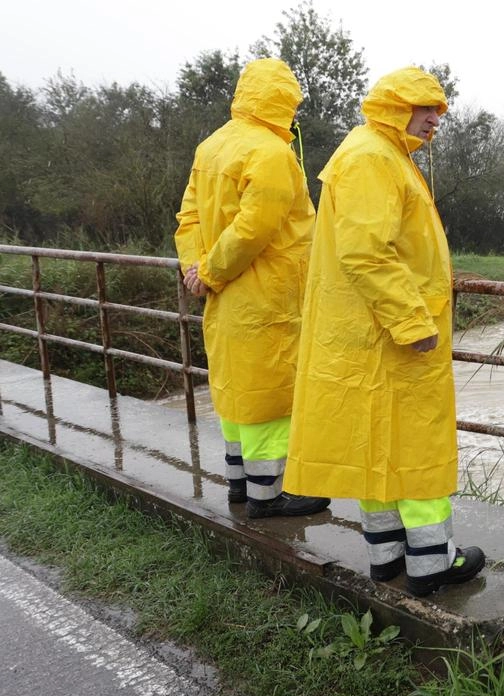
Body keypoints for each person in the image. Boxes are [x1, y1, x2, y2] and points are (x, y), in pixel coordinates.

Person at [283, 66, 485, 597]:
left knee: (379, 447)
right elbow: (368, 252)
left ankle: (389, 561)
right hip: (394, 335)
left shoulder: (377, 152)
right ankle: (431, 565)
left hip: (374, 334)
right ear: (398, 107)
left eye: (439, 112)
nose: (435, 120)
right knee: (416, 450)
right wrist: (411, 320)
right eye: (426, 110)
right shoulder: (374, 157)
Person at [173, 58, 330, 519]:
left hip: (224, 299)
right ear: (282, 101)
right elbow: (254, 229)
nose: (296, 113)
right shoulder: (271, 153)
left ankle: (240, 484)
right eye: (293, 104)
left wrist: (195, 270)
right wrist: (213, 271)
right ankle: (269, 496)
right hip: (267, 293)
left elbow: (189, 218)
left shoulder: (211, 146)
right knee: (270, 396)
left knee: (236, 389)